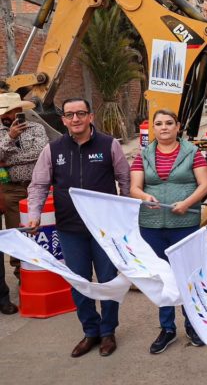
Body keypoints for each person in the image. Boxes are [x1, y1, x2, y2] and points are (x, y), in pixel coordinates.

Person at [26, 98, 130, 357]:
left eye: (81, 113)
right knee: (79, 282)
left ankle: (108, 332)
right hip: (70, 229)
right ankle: (90, 331)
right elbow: (38, 185)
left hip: (105, 229)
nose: (75, 119)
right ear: (63, 120)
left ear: (90, 117)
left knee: (107, 280)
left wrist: (125, 215)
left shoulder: (109, 145)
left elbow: (125, 180)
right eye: (70, 114)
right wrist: (34, 214)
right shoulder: (53, 150)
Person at [129, 109, 207, 354]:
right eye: (159, 124)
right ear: (153, 128)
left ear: (178, 127)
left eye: (168, 123)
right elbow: (134, 187)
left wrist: (187, 203)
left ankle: (192, 324)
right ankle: (167, 328)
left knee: (187, 276)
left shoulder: (192, 152)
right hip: (151, 225)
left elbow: (205, 184)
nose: (164, 127)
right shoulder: (143, 155)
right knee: (162, 277)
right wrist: (145, 197)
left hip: (184, 224)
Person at [0, 92, 49, 315]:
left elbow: (41, 152)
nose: (9, 115)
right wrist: (9, 138)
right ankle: (22, 274)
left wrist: (8, 160)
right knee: (17, 234)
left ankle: (44, 269)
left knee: (39, 230)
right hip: (10, 189)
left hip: (36, 187)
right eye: (5, 112)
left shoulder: (36, 128)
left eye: (12, 111)